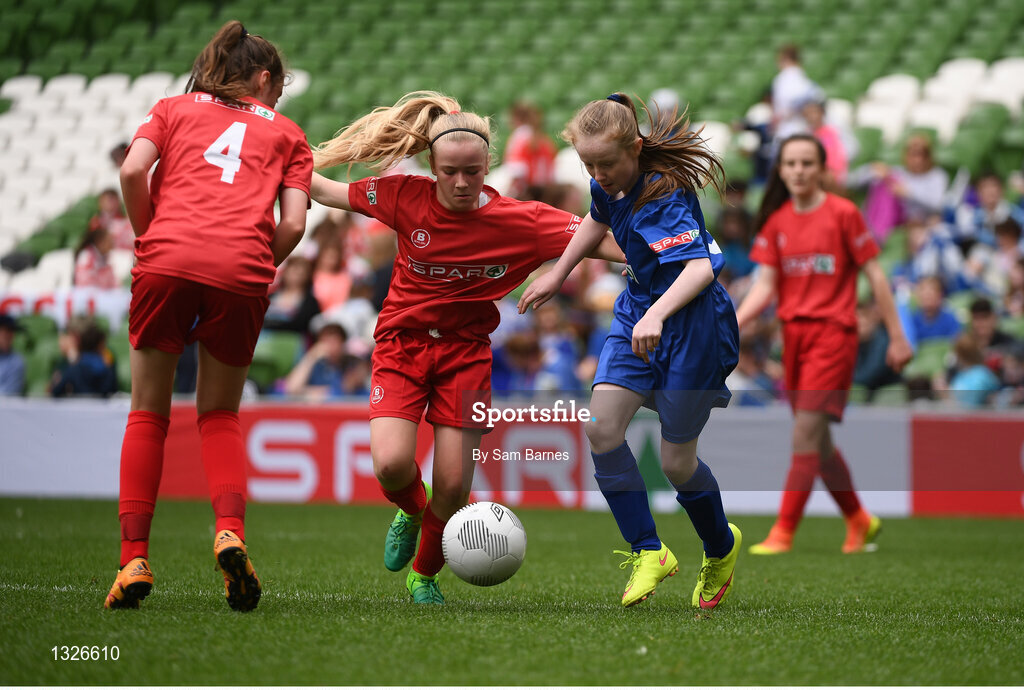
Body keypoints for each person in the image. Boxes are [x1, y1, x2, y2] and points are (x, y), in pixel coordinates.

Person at [309, 91, 623, 604]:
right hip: (401, 347)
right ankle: (411, 510)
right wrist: (272, 156)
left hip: (466, 355)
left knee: (453, 488)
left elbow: (600, 241)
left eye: (472, 172)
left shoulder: (522, 221)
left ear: (487, 166)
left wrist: (655, 251)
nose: (460, 182)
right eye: (449, 171)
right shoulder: (403, 195)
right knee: (391, 466)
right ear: (432, 165)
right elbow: (323, 191)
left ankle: (423, 575)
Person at [104, 21, 312, 611]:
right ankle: (229, 533)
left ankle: (133, 560)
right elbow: (294, 224)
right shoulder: (290, 134)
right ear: (265, 79)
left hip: (165, 259)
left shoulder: (171, 108)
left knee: (148, 414)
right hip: (240, 272)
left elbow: (129, 173)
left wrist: (152, 240)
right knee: (219, 415)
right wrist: (253, 265)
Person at [519, 93, 743, 610]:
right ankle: (649, 550)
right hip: (638, 310)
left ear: (636, 148)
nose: (598, 173)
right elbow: (595, 220)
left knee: (676, 463)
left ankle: (720, 548)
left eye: (608, 162)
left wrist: (658, 314)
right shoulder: (609, 182)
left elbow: (700, 267)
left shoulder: (662, 193)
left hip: (692, 326)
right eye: (588, 165)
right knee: (601, 428)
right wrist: (558, 272)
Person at [736, 134, 913, 555]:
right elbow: (765, 285)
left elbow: (875, 276)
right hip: (792, 338)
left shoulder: (844, 214)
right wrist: (735, 322)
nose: (798, 171)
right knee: (818, 440)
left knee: (804, 434)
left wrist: (898, 335)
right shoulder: (777, 221)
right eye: (790, 164)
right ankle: (859, 519)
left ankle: (783, 532)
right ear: (780, 171)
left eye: (806, 163)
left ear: (821, 170)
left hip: (833, 336)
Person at [50, 318, 118, 397]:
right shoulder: (66, 361)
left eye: (70, 335)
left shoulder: (105, 357)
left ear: (78, 339)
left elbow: (55, 391)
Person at [0, 314, 26, 396]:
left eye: (11, 332)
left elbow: (7, 395)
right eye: (5, 332)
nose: (9, 336)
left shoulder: (16, 362)